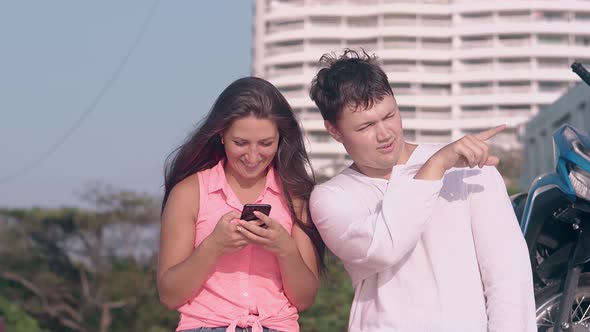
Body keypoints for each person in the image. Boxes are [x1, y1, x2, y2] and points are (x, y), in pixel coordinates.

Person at [308, 49, 536, 332]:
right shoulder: (331, 197)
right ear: (334, 131)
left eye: (389, 115)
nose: (385, 133)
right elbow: (384, 248)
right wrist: (437, 165)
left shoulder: (471, 168)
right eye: (366, 126)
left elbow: (508, 278)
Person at [158, 77, 324, 332]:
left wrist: (284, 248)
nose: (253, 156)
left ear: (281, 138)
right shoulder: (189, 193)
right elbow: (170, 296)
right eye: (241, 143)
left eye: (266, 144)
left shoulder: (296, 194)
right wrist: (213, 246)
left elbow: (304, 299)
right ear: (221, 135)